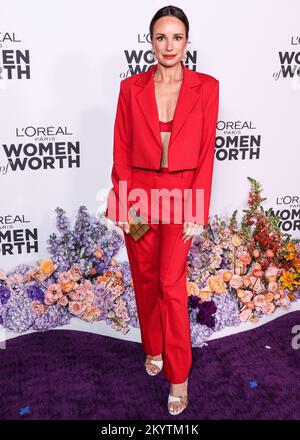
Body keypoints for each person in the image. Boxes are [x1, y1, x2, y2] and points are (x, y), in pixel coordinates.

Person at [105, 5, 219, 415]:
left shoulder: (207, 87)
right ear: (150, 41)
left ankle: (179, 375)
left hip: (182, 194)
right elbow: (120, 147)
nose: (168, 45)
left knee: (171, 284)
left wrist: (198, 209)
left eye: (176, 37)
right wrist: (120, 200)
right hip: (138, 196)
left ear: (187, 41)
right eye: (160, 37)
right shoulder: (130, 88)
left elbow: (207, 153)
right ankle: (152, 345)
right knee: (145, 276)